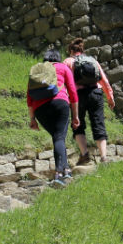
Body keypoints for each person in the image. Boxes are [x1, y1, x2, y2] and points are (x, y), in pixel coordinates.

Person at [27, 48, 79, 188]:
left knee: (57, 137)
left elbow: (29, 97)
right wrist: (76, 116)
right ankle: (60, 173)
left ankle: (65, 168)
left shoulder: (37, 70)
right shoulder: (62, 67)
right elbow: (73, 92)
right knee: (59, 138)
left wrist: (32, 120)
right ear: (57, 57)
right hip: (59, 104)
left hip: (40, 109)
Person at [65, 37, 115, 165]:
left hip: (77, 96)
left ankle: (85, 154)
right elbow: (103, 80)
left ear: (71, 50)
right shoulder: (92, 60)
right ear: (82, 50)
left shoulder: (68, 61)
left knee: (78, 124)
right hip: (95, 93)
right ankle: (104, 157)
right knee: (98, 123)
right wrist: (110, 97)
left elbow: (65, 83)